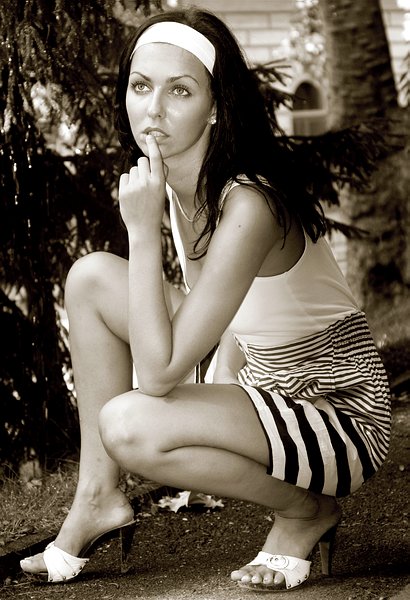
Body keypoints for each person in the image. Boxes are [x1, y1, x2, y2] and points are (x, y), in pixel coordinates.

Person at [20, 6, 391, 591]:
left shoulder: (249, 203)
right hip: (265, 378)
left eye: (180, 90)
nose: (153, 109)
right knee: (90, 279)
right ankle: (97, 495)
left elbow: (159, 373)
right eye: (141, 86)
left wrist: (142, 232)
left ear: (216, 106)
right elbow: (231, 318)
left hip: (336, 411)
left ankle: (305, 511)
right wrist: (220, 385)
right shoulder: (176, 179)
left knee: (129, 423)